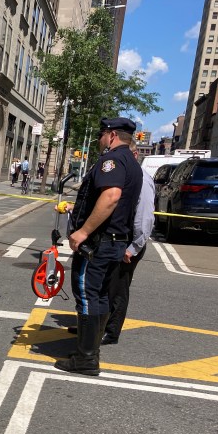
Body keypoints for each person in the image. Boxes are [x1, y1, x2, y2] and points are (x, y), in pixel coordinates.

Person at [54, 117, 143, 376]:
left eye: (102, 134)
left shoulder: (111, 161)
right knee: (101, 296)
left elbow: (111, 196)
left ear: (112, 135)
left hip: (99, 243)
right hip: (114, 243)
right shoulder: (132, 163)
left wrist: (82, 232)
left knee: (87, 296)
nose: (99, 140)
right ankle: (90, 352)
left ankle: (86, 359)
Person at [66, 139, 154, 345]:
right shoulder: (126, 174)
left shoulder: (141, 178)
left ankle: (110, 332)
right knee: (103, 289)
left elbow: (144, 217)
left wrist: (134, 247)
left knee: (117, 290)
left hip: (128, 243)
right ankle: (94, 332)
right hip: (119, 240)